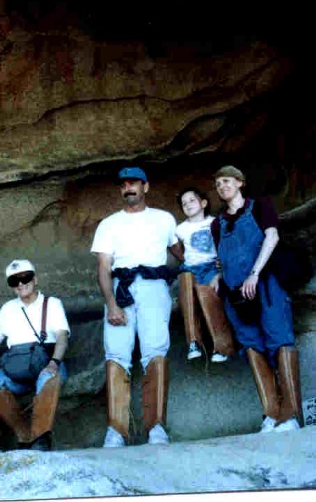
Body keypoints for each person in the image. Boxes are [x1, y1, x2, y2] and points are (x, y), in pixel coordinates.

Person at [91, 166, 180, 448]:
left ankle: (156, 427)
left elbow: (182, 254)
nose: (128, 188)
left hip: (154, 285)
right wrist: (111, 305)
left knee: (156, 349)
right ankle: (117, 430)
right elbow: (103, 268)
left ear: (145, 186)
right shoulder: (109, 224)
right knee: (116, 353)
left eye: (133, 183)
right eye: (124, 184)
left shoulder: (164, 219)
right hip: (122, 287)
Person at [210, 165, 302, 433]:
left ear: (240, 182)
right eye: (218, 183)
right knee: (252, 345)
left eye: (227, 181)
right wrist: (219, 275)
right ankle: (271, 413)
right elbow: (222, 256)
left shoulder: (260, 206)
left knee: (279, 339)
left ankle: (291, 415)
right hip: (236, 294)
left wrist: (254, 274)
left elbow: (272, 238)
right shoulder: (217, 223)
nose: (222, 186)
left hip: (265, 284)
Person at [0, 259, 70, 452]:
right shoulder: (8, 309)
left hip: (46, 364)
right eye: (14, 281)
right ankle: (24, 435)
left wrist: (54, 363)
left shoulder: (52, 304)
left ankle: (40, 438)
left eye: (25, 278)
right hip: (18, 372)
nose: (20, 284)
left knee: (48, 377)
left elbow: (62, 337)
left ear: (35, 279)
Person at [175, 187, 236, 362]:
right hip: (191, 268)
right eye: (184, 203)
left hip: (211, 267)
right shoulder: (180, 229)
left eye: (191, 200)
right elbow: (177, 250)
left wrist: (221, 271)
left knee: (209, 295)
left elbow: (225, 245)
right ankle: (193, 342)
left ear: (203, 203)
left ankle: (222, 345)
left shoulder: (214, 222)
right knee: (187, 287)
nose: (187, 205)